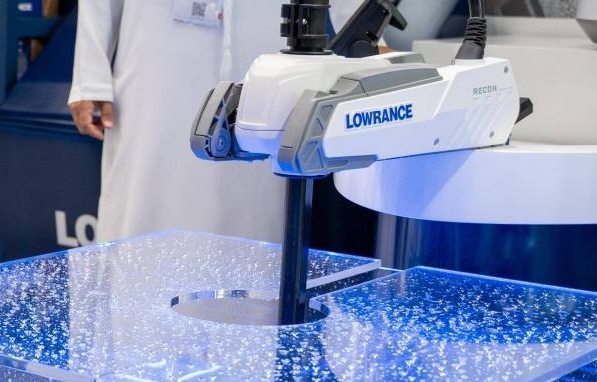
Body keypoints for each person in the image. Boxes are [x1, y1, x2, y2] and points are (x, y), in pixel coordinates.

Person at [67, 0, 372, 244]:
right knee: (146, 185)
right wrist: (90, 77)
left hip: (266, 49)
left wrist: (369, 40)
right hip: (155, 56)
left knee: (254, 191)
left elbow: (361, 25)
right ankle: (135, 299)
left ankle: (252, 301)